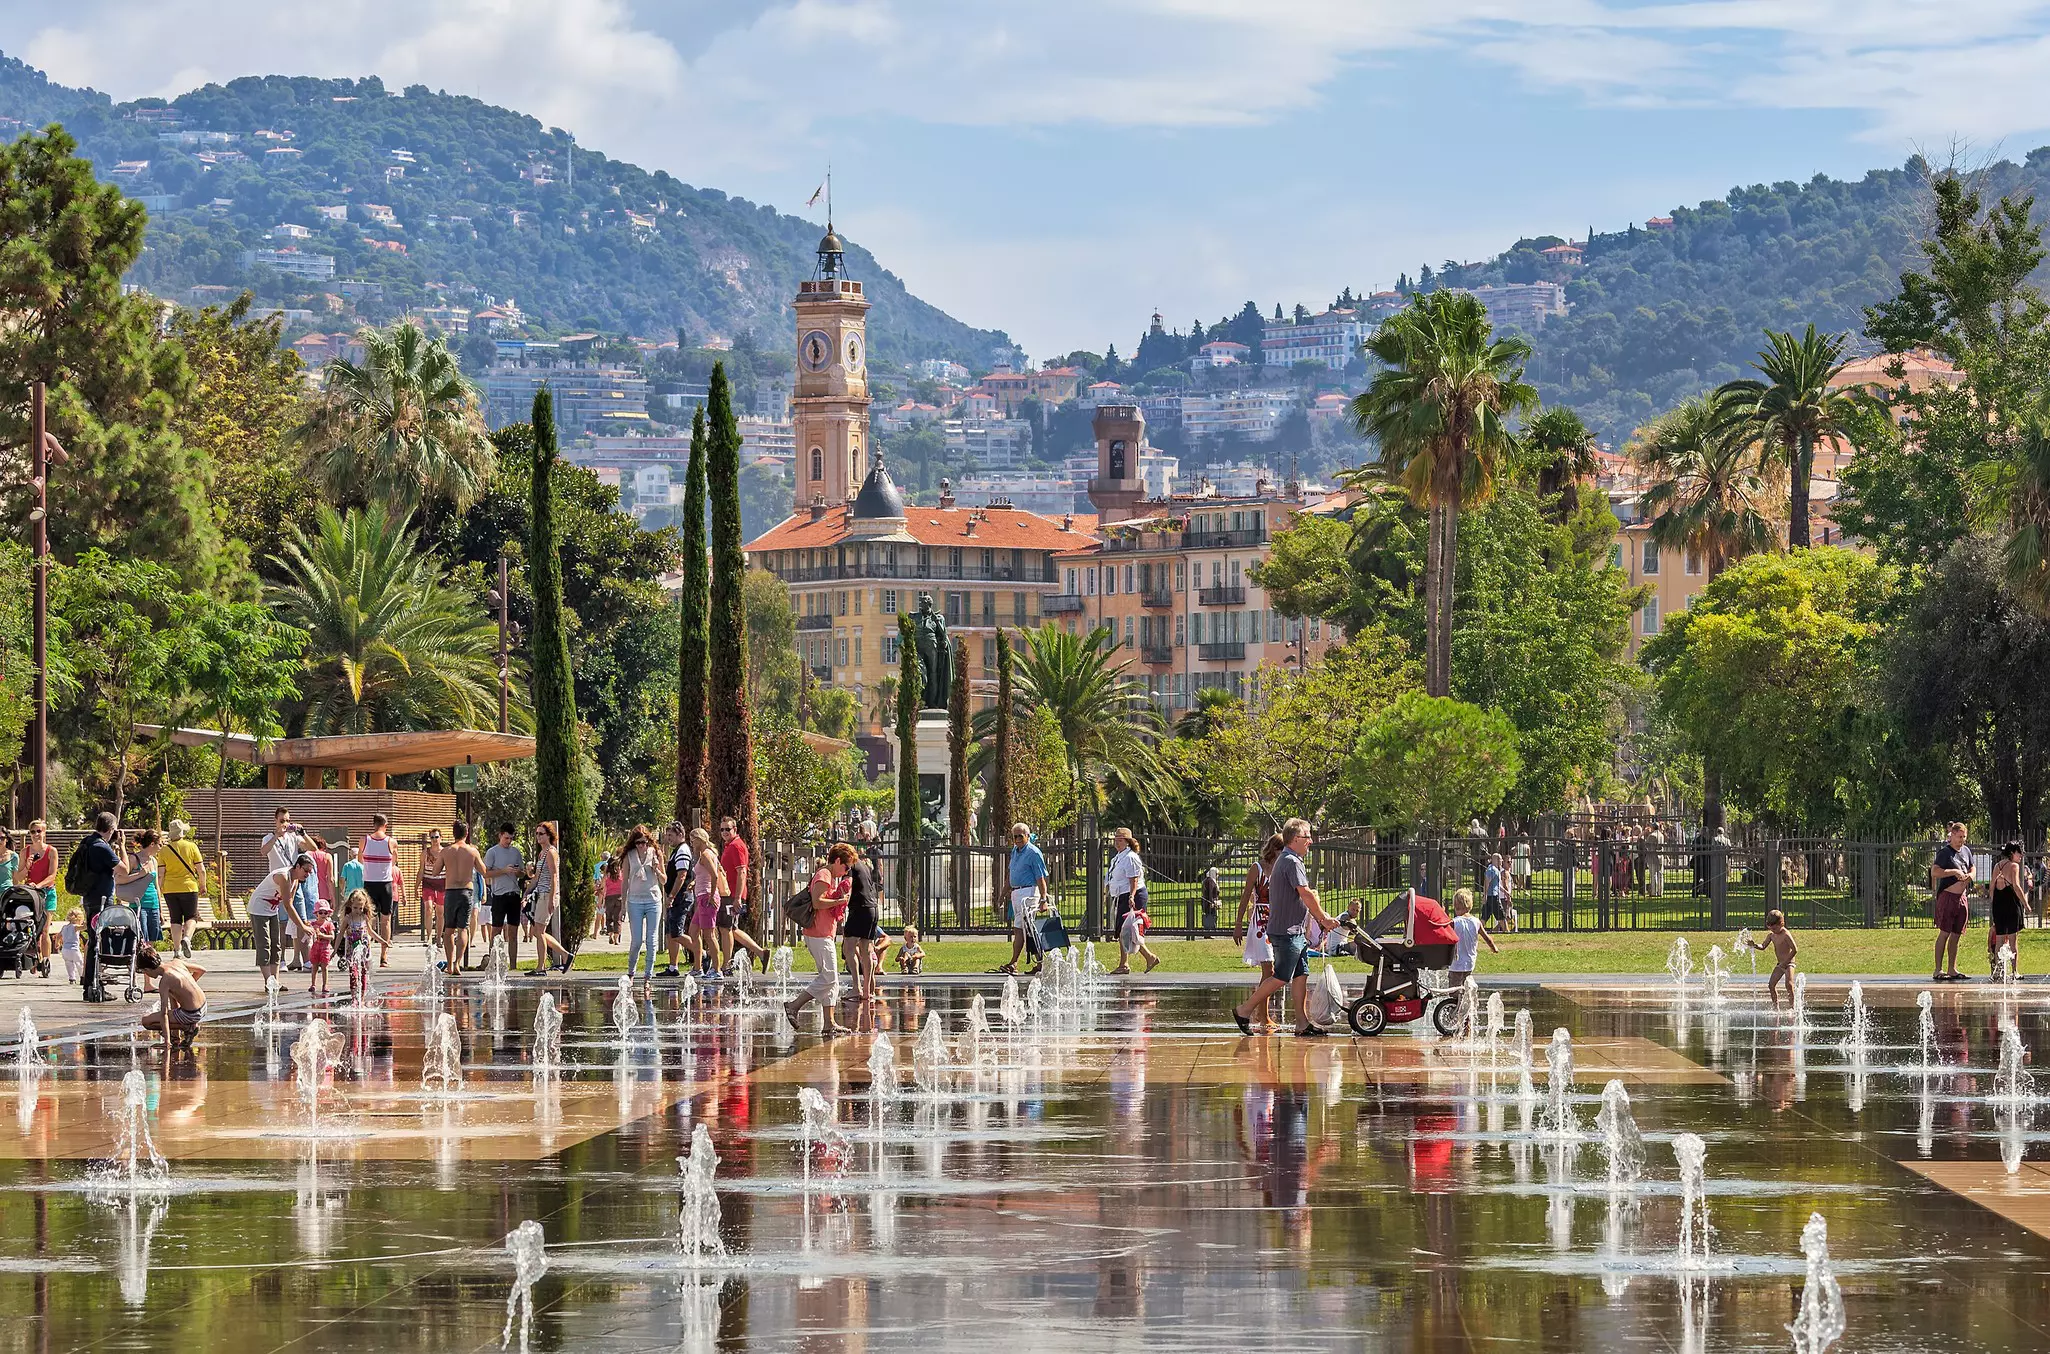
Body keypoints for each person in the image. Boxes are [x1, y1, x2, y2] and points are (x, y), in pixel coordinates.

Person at [1232, 819, 1336, 1038]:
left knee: (1301, 974)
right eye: (1308, 837)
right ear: (1296, 839)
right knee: (1280, 977)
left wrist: (1319, 918)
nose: (1311, 841)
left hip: (1294, 929)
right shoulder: (1291, 861)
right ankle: (1244, 1010)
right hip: (1286, 930)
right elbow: (1306, 893)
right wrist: (1323, 918)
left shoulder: (1290, 859)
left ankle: (1301, 1022)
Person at [784, 842, 854, 1034]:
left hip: (824, 934)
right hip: (818, 934)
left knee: (833, 981)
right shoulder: (824, 875)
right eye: (846, 867)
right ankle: (794, 1005)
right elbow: (817, 902)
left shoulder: (831, 876)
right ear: (837, 861)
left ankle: (829, 1023)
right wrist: (840, 900)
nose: (846, 871)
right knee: (829, 977)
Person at [1234, 835, 1284, 1029]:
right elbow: (1246, 896)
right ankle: (1262, 1015)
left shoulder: (1281, 868)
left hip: (1276, 921)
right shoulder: (1257, 868)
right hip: (1260, 922)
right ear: (1275, 849)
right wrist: (1238, 924)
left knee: (1270, 971)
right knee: (1268, 969)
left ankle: (1260, 1013)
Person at [247, 852, 316, 986]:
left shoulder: (295, 881)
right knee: (264, 944)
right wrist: (302, 926)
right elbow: (288, 905)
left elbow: (290, 905)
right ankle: (268, 982)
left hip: (272, 909)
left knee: (276, 944)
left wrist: (303, 923)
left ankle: (276, 981)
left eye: (310, 872)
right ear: (297, 866)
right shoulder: (284, 877)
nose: (307, 874)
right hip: (259, 908)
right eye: (306, 870)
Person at [74, 812, 120, 1000]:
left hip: (89, 898)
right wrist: (121, 847)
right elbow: (122, 869)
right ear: (111, 829)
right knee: (98, 941)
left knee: (94, 940)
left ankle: (91, 984)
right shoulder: (101, 846)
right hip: (101, 900)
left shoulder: (87, 841)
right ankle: (94, 986)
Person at [996, 822, 1050, 977]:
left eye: (1021, 836)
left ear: (1027, 836)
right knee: (1020, 929)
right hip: (1016, 893)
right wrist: (1002, 895)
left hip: (1029, 893)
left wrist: (1043, 899)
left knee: (1028, 930)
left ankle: (1034, 963)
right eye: (1015, 836)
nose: (1018, 839)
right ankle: (1017, 963)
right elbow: (1010, 875)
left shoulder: (1033, 853)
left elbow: (1041, 878)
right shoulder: (1015, 851)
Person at [717, 816, 766, 973]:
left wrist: (737, 897)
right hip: (728, 893)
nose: (724, 832)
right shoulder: (729, 845)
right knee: (731, 928)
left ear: (735, 830)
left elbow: (742, 872)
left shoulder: (736, 846)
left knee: (725, 929)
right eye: (722, 829)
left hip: (732, 894)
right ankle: (761, 953)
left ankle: (726, 965)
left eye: (728, 829)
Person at [525, 822, 574, 975]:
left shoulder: (551, 852)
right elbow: (537, 878)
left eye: (541, 834)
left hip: (548, 895)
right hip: (541, 894)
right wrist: (526, 893)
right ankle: (565, 955)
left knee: (538, 931)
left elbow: (554, 876)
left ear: (549, 836)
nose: (538, 836)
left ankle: (541, 967)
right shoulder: (542, 853)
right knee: (536, 931)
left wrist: (552, 897)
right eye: (537, 834)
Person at [619, 826, 665, 983]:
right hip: (634, 901)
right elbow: (624, 881)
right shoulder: (629, 856)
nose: (641, 846)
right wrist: (622, 905)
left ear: (648, 841)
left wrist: (656, 869)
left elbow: (664, 880)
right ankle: (631, 972)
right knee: (637, 940)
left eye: (644, 842)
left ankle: (648, 975)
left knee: (652, 940)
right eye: (638, 843)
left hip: (653, 900)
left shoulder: (656, 854)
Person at [840, 840, 885, 1006]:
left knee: (848, 947)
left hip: (859, 908)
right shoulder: (864, 865)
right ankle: (867, 990)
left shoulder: (850, 866)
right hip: (873, 908)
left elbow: (847, 886)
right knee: (866, 949)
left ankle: (856, 987)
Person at [136, 945, 207, 1048]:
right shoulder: (177, 962)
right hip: (203, 1006)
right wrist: (187, 988)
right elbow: (202, 970)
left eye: (144, 972)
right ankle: (175, 1036)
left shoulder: (165, 981)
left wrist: (166, 1042)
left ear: (147, 969)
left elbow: (164, 1013)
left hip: (191, 1014)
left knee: (146, 1021)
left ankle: (187, 1027)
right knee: (172, 993)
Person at [439, 821, 485, 974]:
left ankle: (450, 965)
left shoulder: (446, 851)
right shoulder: (472, 852)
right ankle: (458, 962)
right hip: (466, 891)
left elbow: (434, 871)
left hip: (451, 892)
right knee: (463, 928)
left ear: (453, 833)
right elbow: (483, 870)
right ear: (467, 833)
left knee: (449, 930)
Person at [158, 821, 207, 960]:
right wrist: (203, 885)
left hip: (170, 889)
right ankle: (187, 938)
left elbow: (161, 873)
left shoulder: (163, 851)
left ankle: (177, 950)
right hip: (189, 887)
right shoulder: (191, 847)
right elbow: (201, 870)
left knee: (175, 919)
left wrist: (160, 889)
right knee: (192, 916)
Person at [1932, 821, 1972, 982]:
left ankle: (1952, 969)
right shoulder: (1945, 853)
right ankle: (1938, 969)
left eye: (1964, 837)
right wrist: (1953, 871)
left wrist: (1971, 876)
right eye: (1959, 836)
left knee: (1956, 934)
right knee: (1945, 933)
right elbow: (1935, 871)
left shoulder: (1967, 851)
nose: (1961, 840)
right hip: (1948, 896)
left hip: (1962, 898)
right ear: (1952, 836)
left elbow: (1972, 868)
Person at [482, 824, 525, 971]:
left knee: (513, 932)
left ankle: (513, 966)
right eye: (506, 838)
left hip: (514, 894)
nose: (508, 841)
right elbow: (486, 873)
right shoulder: (492, 852)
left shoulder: (516, 852)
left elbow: (522, 873)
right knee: (496, 931)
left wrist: (518, 871)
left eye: (511, 839)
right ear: (500, 835)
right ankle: (493, 964)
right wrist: (503, 870)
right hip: (499, 895)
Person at [359, 812, 398, 967]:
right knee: (386, 920)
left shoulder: (364, 840)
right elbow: (394, 861)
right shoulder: (391, 842)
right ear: (386, 825)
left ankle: (366, 953)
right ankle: (384, 956)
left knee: (368, 920)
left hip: (369, 883)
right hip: (385, 884)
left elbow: (359, 860)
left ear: (373, 824)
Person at [1990, 841, 2032, 976]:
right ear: (2012, 853)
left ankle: (1997, 972)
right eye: (2019, 853)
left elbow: (1992, 886)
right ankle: (2015, 972)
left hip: (1999, 904)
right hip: (2011, 905)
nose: (2021, 856)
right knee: (2013, 940)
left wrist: (1993, 902)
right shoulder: (2014, 866)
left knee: (2000, 939)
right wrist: (2026, 903)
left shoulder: (1997, 866)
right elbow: (2016, 886)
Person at [1743, 909, 1800, 1010]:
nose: (1773, 930)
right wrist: (1754, 945)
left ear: (1781, 923)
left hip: (1789, 964)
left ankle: (1792, 1008)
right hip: (1780, 964)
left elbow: (1795, 949)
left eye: (1774, 928)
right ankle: (1775, 1007)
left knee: (1789, 985)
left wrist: (1786, 962)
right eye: (1771, 928)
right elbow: (1763, 946)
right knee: (1771, 985)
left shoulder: (1786, 934)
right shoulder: (1771, 935)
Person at [687, 828, 725, 977]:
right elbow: (708, 875)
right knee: (693, 931)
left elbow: (715, 876)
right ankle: (698, 967)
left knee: (709, 935)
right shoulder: (707, 854)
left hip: (707, 898)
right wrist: (695, 883)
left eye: (693, 840)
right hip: (702, 896)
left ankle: (716, 969)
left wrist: (710, 896)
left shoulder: (706, 855)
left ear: (701, 839)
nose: (692, 843)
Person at [660, 821, 696, 979]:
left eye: (671, 835)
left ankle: (702, 955)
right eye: (667, 835)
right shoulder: (676, 851)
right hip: (677, 897)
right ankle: (673, 966)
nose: (669, 839)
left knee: (676, 932)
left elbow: (682, 875)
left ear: (680, 835)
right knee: (670, 933)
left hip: (681, 896)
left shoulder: (682, 850)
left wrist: (672, 896)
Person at [115, 830, 164, 946]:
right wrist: (139, 874)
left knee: (152, 939)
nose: (160, 848)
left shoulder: (154, 861)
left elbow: (157, 886)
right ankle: (139, 961)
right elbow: (118, 879)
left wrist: (161, 910)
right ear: (152, 844)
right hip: (138, 905)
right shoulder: (133, 859)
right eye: (160, 844)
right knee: (141, 938)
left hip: (153, 905)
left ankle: (148, 962)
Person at [18, 822, 58, 963]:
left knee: (45, 929)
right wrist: (27, 867)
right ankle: (34, 957)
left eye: (39, 831)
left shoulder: (51, 851)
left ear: (44, 832)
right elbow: (18, 877)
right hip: (31, 894)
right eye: (33, 832)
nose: (36, 835)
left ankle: (46, 961)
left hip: (47, 892)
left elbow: (52, 875)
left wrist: (39, 885)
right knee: (32, 929)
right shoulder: (25, 852)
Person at [1447, 888, 1500, 985]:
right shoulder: (1476, 922)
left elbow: (1444, 932)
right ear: (1470, 906)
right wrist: (1494, 948)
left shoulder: (1454, 922)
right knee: (1467, 987)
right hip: (1470, 962)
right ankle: (1467, 1000)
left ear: (1455, 906)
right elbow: (1487, 938)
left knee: (1454, 990)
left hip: (1456, 964)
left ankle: (1455, 1000)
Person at [1108, 828, 1146, 942]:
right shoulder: (1118, 857)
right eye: (1116, 840)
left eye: (1120, 840)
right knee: (1122, 930)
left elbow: (1134, 880)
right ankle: (1124, 960)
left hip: (1133, 895)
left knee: (1131, 931)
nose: (1117, 843)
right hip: (1121, 895)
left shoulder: (1130, 857)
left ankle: (1150, 957)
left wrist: (1131, 896)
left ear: (1127, 842)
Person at [1113, 893, 1160, 974]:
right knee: (1126, 932)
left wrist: (1131, 896)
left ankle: (1124, 965)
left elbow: (1134, 880)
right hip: (1125, 896)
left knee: (1126, 931)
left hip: (1131, 897)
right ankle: (1149, 957)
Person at [341, 890, 375, 1000]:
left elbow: (371, 932)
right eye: (355, 907)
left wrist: (384, 941)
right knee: (353, 973)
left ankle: (362, 998)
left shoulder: (364, 918)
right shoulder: (348, 919)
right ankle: (354, 997)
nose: (358, 910)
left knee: (364, 972)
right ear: (350, 905)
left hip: (364, 949)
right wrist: (334, 950)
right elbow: (340, 934)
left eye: (360, 908)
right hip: (351, 950)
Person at [420, 827, 447, 955]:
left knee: (440, 912)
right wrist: (416, 887)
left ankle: (439, 937)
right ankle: (429, 936)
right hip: (428, 883)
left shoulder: (445, 852)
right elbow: (420, 871)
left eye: (437, 837)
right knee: (429, 908)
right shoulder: (425, 853)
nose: (434, 840)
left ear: (441, 838)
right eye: (432, 837)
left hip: (442, 883)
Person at [306, 900, 337, 996]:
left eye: (325, 913)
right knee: (314, 966)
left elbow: (332, 937)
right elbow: (308, 934)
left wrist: (323, 935)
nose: (323, 914)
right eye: (320, 912)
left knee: (324, 967)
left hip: (325, 948)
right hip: (315, 948)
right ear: (316, 914)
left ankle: (325, 984)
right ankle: (313, 984)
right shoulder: (313, 924)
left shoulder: (329, 924)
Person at [601, 857, 624, 945]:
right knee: (618, 919)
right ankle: (616, 939)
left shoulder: (607, 875)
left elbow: (603, 888)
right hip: (619, 898)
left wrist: (602, 901)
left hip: (609, 898)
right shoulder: (620, 874)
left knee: (609, 918)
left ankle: (610, 935)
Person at [58, 906, 84, 983]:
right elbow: (84, 927)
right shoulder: (75, 927)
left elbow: (58, 936)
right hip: (74, 950)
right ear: (79, 919)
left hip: (65, 950)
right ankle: (82, 977)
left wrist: (57, 943)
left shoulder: (64, 927)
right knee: (80, 964)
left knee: (69, 964)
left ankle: (72, 978)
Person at [1481, 854, 1508, 928]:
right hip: (1493, 897)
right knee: (1501, 917)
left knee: (1484, 917)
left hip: (1491, 896)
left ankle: (1477, 932)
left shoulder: (1495, 870)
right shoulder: (1492, 870)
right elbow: (1487, 882)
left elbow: (1497, 885)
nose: (1501, 861)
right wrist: (1485, 895)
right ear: (1496, 860)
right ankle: (1507, 932)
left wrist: (1505, 892)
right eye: (1500, 859)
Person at [1201, 867, 1222, 937]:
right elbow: (1210, 892)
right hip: (1209, 902)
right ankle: (1209, 933)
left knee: (1211, 916)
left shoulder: (1208, 880)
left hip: (1209, 901)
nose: (1217, 875)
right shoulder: (1210, 881)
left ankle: (1209, 932)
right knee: (1211, 916)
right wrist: (1212, 902)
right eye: (1217, 874)